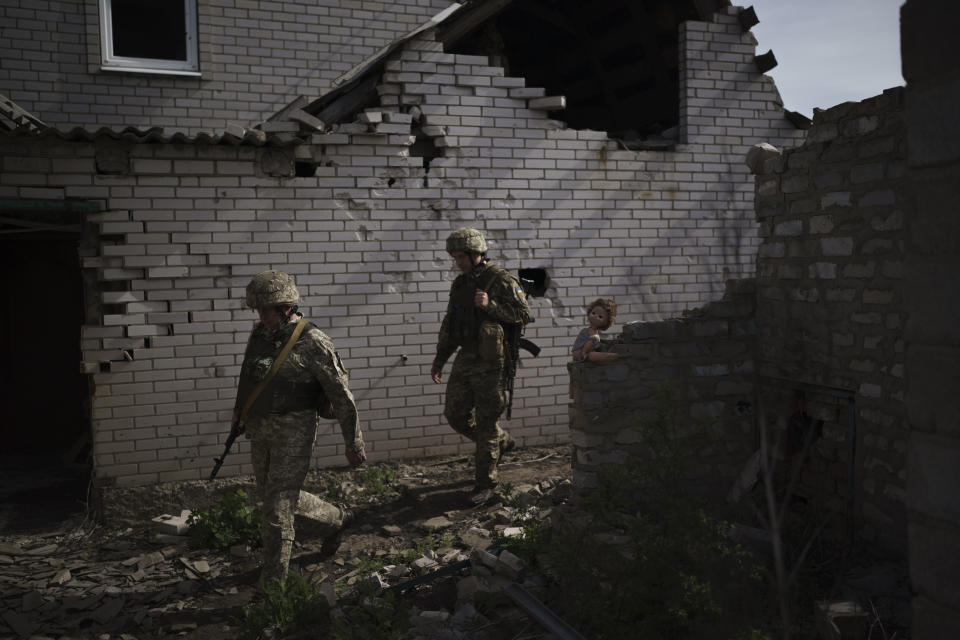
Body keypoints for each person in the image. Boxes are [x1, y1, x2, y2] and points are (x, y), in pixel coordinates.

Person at [233, 270, 367, 585]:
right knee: (274, 497)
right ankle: (336, 519)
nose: (261, 315)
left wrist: (354, 442)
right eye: (258, 309)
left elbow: (340, 394)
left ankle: (273, 590)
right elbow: (248, 378)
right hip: (261, 429)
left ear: (286, 306)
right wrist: (240, 415)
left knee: (277, 513)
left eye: (267, 309)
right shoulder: (261, 335)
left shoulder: (312, 341)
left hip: (295, 430)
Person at [430, 228, 531, 494]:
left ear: (477, 253)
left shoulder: (501, 279)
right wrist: (440, 359)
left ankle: (486, 484)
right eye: (455, 257)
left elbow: (523, 314)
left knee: (486, 422)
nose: (458, 262)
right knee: (455, 414)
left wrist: (490, 305)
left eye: (462, 256)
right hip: (466, 356)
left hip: (492, 360)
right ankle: (501, 440)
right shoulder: (460, 284)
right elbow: (452, 324)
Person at [570, 298, 620, 398]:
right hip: (579, 353)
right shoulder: (586, 331)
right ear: (589, 313)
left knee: (596, 354)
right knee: (594, 354)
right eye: (593, 313)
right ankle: (610, 356)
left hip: (587, 353)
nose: (596, 317)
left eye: (600, 316)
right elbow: (588, 344)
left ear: (605, 322)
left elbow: (595, 345)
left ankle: (611, 356)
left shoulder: (595, 333)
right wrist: (585, 352)